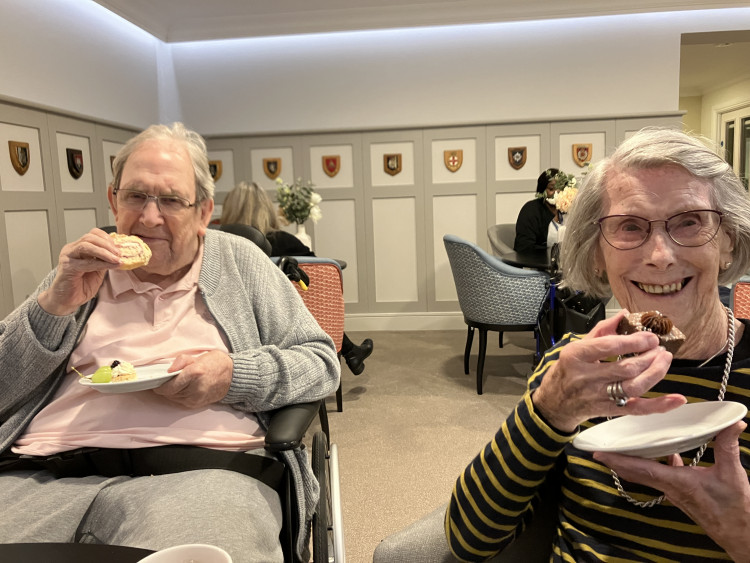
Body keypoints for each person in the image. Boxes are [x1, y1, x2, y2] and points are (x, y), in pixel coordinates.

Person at [0, 123, 340, 562]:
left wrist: (234, 376)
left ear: (203, 212)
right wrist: (51, 308)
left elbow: (320, 362)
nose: (149, 217)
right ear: (112, 199)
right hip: (40, 473)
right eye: (135, 196)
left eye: (171, 200)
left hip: (201, 476)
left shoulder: (240, 262)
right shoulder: (82, 268)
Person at [446, 128, 750, 561]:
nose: (660, 255)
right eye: (629, 226)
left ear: (728, 240)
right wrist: (549, 407)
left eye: (689, 221)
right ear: (596, 255)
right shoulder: (576, 369)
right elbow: (468, 540)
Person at [220, 181, 374, 375]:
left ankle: (351, 351)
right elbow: (318, 276)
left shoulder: (218, 246)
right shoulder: (283, 241)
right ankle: (350, 351)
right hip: (285, 324)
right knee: (307, 299)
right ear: (266, 209)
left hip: (235, 325)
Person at [513, 168, 562, 253]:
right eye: (551, 189)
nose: (556, 193)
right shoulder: (531, 210)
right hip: (535, 262)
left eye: (560, 188)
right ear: (542, 190)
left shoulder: (566, 210)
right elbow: (524, 247)